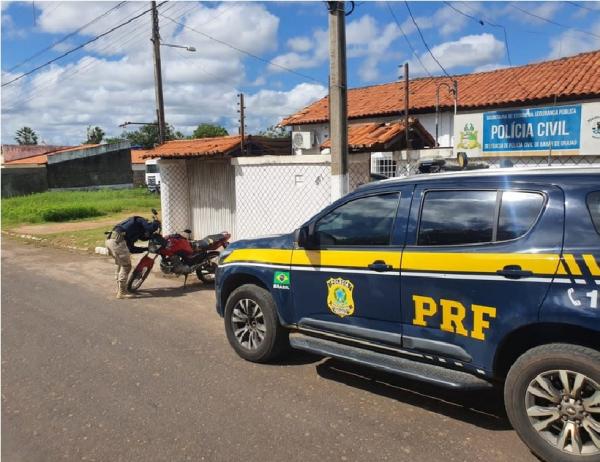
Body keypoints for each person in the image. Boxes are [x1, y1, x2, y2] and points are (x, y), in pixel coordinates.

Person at [105, 216, 160, 299]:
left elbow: (132, 249)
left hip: (110, 241)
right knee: (126, 266)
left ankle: (120, 289)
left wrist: (145, 249)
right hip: (117, 241)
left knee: (120, 264)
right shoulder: (139, 220)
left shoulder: (130, 232)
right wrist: (156, 223)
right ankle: (122, 293)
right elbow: (150, 227)